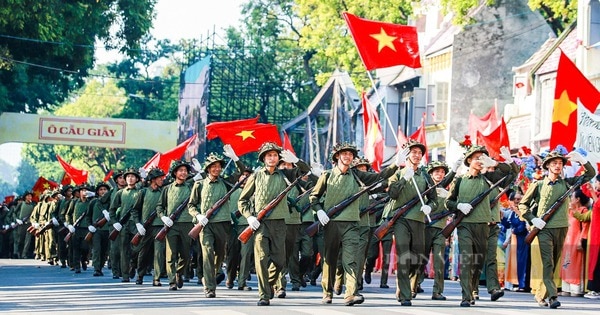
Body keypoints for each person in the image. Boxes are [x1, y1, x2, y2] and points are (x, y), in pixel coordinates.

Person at [309, 142, 398, 306]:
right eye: (344, 154)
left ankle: (350, 293)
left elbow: (380, 176)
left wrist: (396, 164)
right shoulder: (327, 175)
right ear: (337, 156)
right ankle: (327, 292)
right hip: (331, 224)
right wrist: (319, 211)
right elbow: (314, 197)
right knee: (330, 260)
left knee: (351, 259)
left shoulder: (358, 175)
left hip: (352, 224)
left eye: (350, 154)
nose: (348, 156)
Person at [519, 150, 596, 308]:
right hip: (544, 228)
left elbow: (590, 174)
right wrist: (533, 219)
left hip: (561, 227)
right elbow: (523, 205)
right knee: (548, 262)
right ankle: (553, 297)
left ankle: (541, 294)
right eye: (554, 163)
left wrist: (581, 160)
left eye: (560, 163)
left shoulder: (567, 183)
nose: (557, 166)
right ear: (547, 166)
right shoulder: (538, 185)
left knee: (554, 263)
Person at [238, 142, 310, 306]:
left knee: (279, 261)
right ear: (263, 158)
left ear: (279, 158)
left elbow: (306, 171)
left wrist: (297, 160)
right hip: (260, 224)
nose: (272, 158)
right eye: (269, 155)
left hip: (279, 223)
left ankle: (269, 283)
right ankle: (264, 294)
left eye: (275, 155)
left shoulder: (286, 175)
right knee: (262, 259)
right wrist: (250, 217)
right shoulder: (256, 176)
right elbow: (242, 201)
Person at [445, 145, 517, 307]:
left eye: (482, 158)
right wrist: (459, 206)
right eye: (477, 158)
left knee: (478, 262)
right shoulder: (460, 180)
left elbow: (512, 174)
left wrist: (498, 163)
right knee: (466, 260)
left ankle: (472, 288)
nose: (480, 161)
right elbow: (448, 202)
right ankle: (465, 295)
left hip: (483, 225)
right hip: (464, 225)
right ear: (469, 160)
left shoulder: (489, 178)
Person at [188, 145, 247, 298]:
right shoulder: (199, 184)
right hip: (205, 225)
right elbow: (191, 205)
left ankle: (212, 277)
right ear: (208, 169)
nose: (216, 169)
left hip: (223, 224)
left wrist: (235, 159)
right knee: (207, 254)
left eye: (219, 166)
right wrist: (198, 216)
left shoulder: (227, 183)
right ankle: (209, 287)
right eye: (213, 166)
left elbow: (243, 173)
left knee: (220, 255)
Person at [383, 140, 437, 306]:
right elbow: (392, 193)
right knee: (404, 256)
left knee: (418, 257)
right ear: (407, 155)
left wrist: (429, 206)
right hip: (401, 220)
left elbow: (434, 199)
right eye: (413, 152)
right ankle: (405, 294)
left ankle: (406, 285)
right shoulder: (398, 174)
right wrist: (404, 178)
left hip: (419, 220)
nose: (417, 155)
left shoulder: (425, 176)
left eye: (419, 153)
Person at [411, 159, 460, 301]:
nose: (440, 174)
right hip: (425, 228)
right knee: (421, 259)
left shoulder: (447, 191)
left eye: (442, 172)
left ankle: (437, 291)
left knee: (439, 262)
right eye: (437, 171)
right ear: (430, 174)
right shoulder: (424, 188)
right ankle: (414, 285)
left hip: (440, 230)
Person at [156, 160, 194, 291]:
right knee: (170, 254)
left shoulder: (191, 187)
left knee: (185, 255)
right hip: (171, 225)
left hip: (187, 224)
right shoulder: (167, 189)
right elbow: (159, 207)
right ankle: (172, 281)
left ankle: (179, 272)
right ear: (175, 173)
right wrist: (164, 217)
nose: (183, 173)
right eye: (181, 170)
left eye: (185, 171)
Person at [109, 167, 142, 282]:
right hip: (123, 225)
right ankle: (125, 275)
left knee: (137, 249)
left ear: (137, 179)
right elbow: (112, 210)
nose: (130, 178)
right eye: (128, 176)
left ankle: (132, 264)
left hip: (136, 224)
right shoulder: (120, 193)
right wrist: (115, 223)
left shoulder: (140, 192)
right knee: (124, 250)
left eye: (133, 176)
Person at [560, 188, 591, 296]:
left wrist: (581, 240)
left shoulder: (583, 211)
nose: (570, 199)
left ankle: (576, 288)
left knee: (575, 265)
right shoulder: (569, 211)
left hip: (576, 240)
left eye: (572, 197)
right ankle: (566, 287)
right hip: (567, 241)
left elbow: (585, 227)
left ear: (577, 199)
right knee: (566, 264)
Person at [88, 182, 112, 277]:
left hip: (108, 229)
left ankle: (101, 266)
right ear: (97, 192)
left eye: (105, 189)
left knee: (104, 250)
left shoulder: (111, 202)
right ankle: (97, 269)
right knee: (97, 249)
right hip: (97, 230)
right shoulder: (94, 202)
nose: (103, 191)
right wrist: (90, 225)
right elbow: (88, 215)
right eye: (101, 190)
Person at [582, 175, 600, 299]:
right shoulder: (597, 194)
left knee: (598, 262)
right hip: (595, 233)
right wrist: (586, 179)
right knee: (595, 261)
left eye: (597, 182)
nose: (596, 184)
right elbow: (585, 190)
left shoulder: (597, 196)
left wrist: (593, 192)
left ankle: (596, 289)